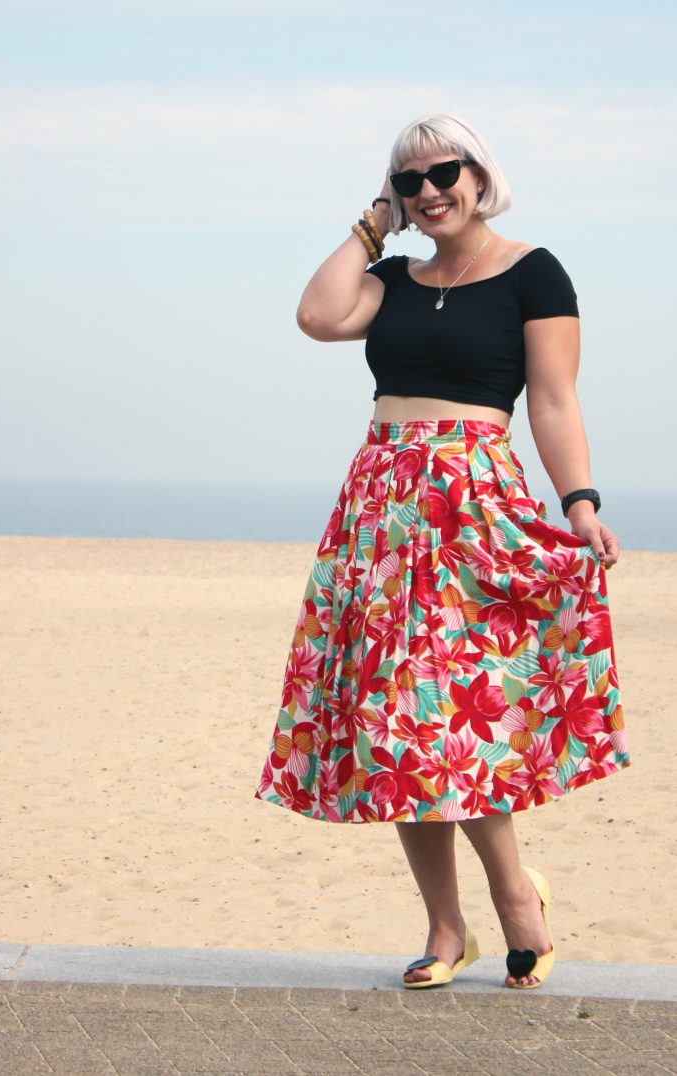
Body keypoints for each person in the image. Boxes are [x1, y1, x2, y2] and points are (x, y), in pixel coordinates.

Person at [255, 112, 629, 990]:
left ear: (479, 173)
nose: (431, 192)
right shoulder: (392, 278)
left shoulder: (533, 273)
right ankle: (444, 927)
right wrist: (370, 225)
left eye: (444, 173)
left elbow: (554, 400)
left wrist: (578, 503)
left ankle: (513, 900)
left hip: (474, 509)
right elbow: (316, 314)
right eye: (410, 182)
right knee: (395, 728)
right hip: (380, 516)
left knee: (453, 719)